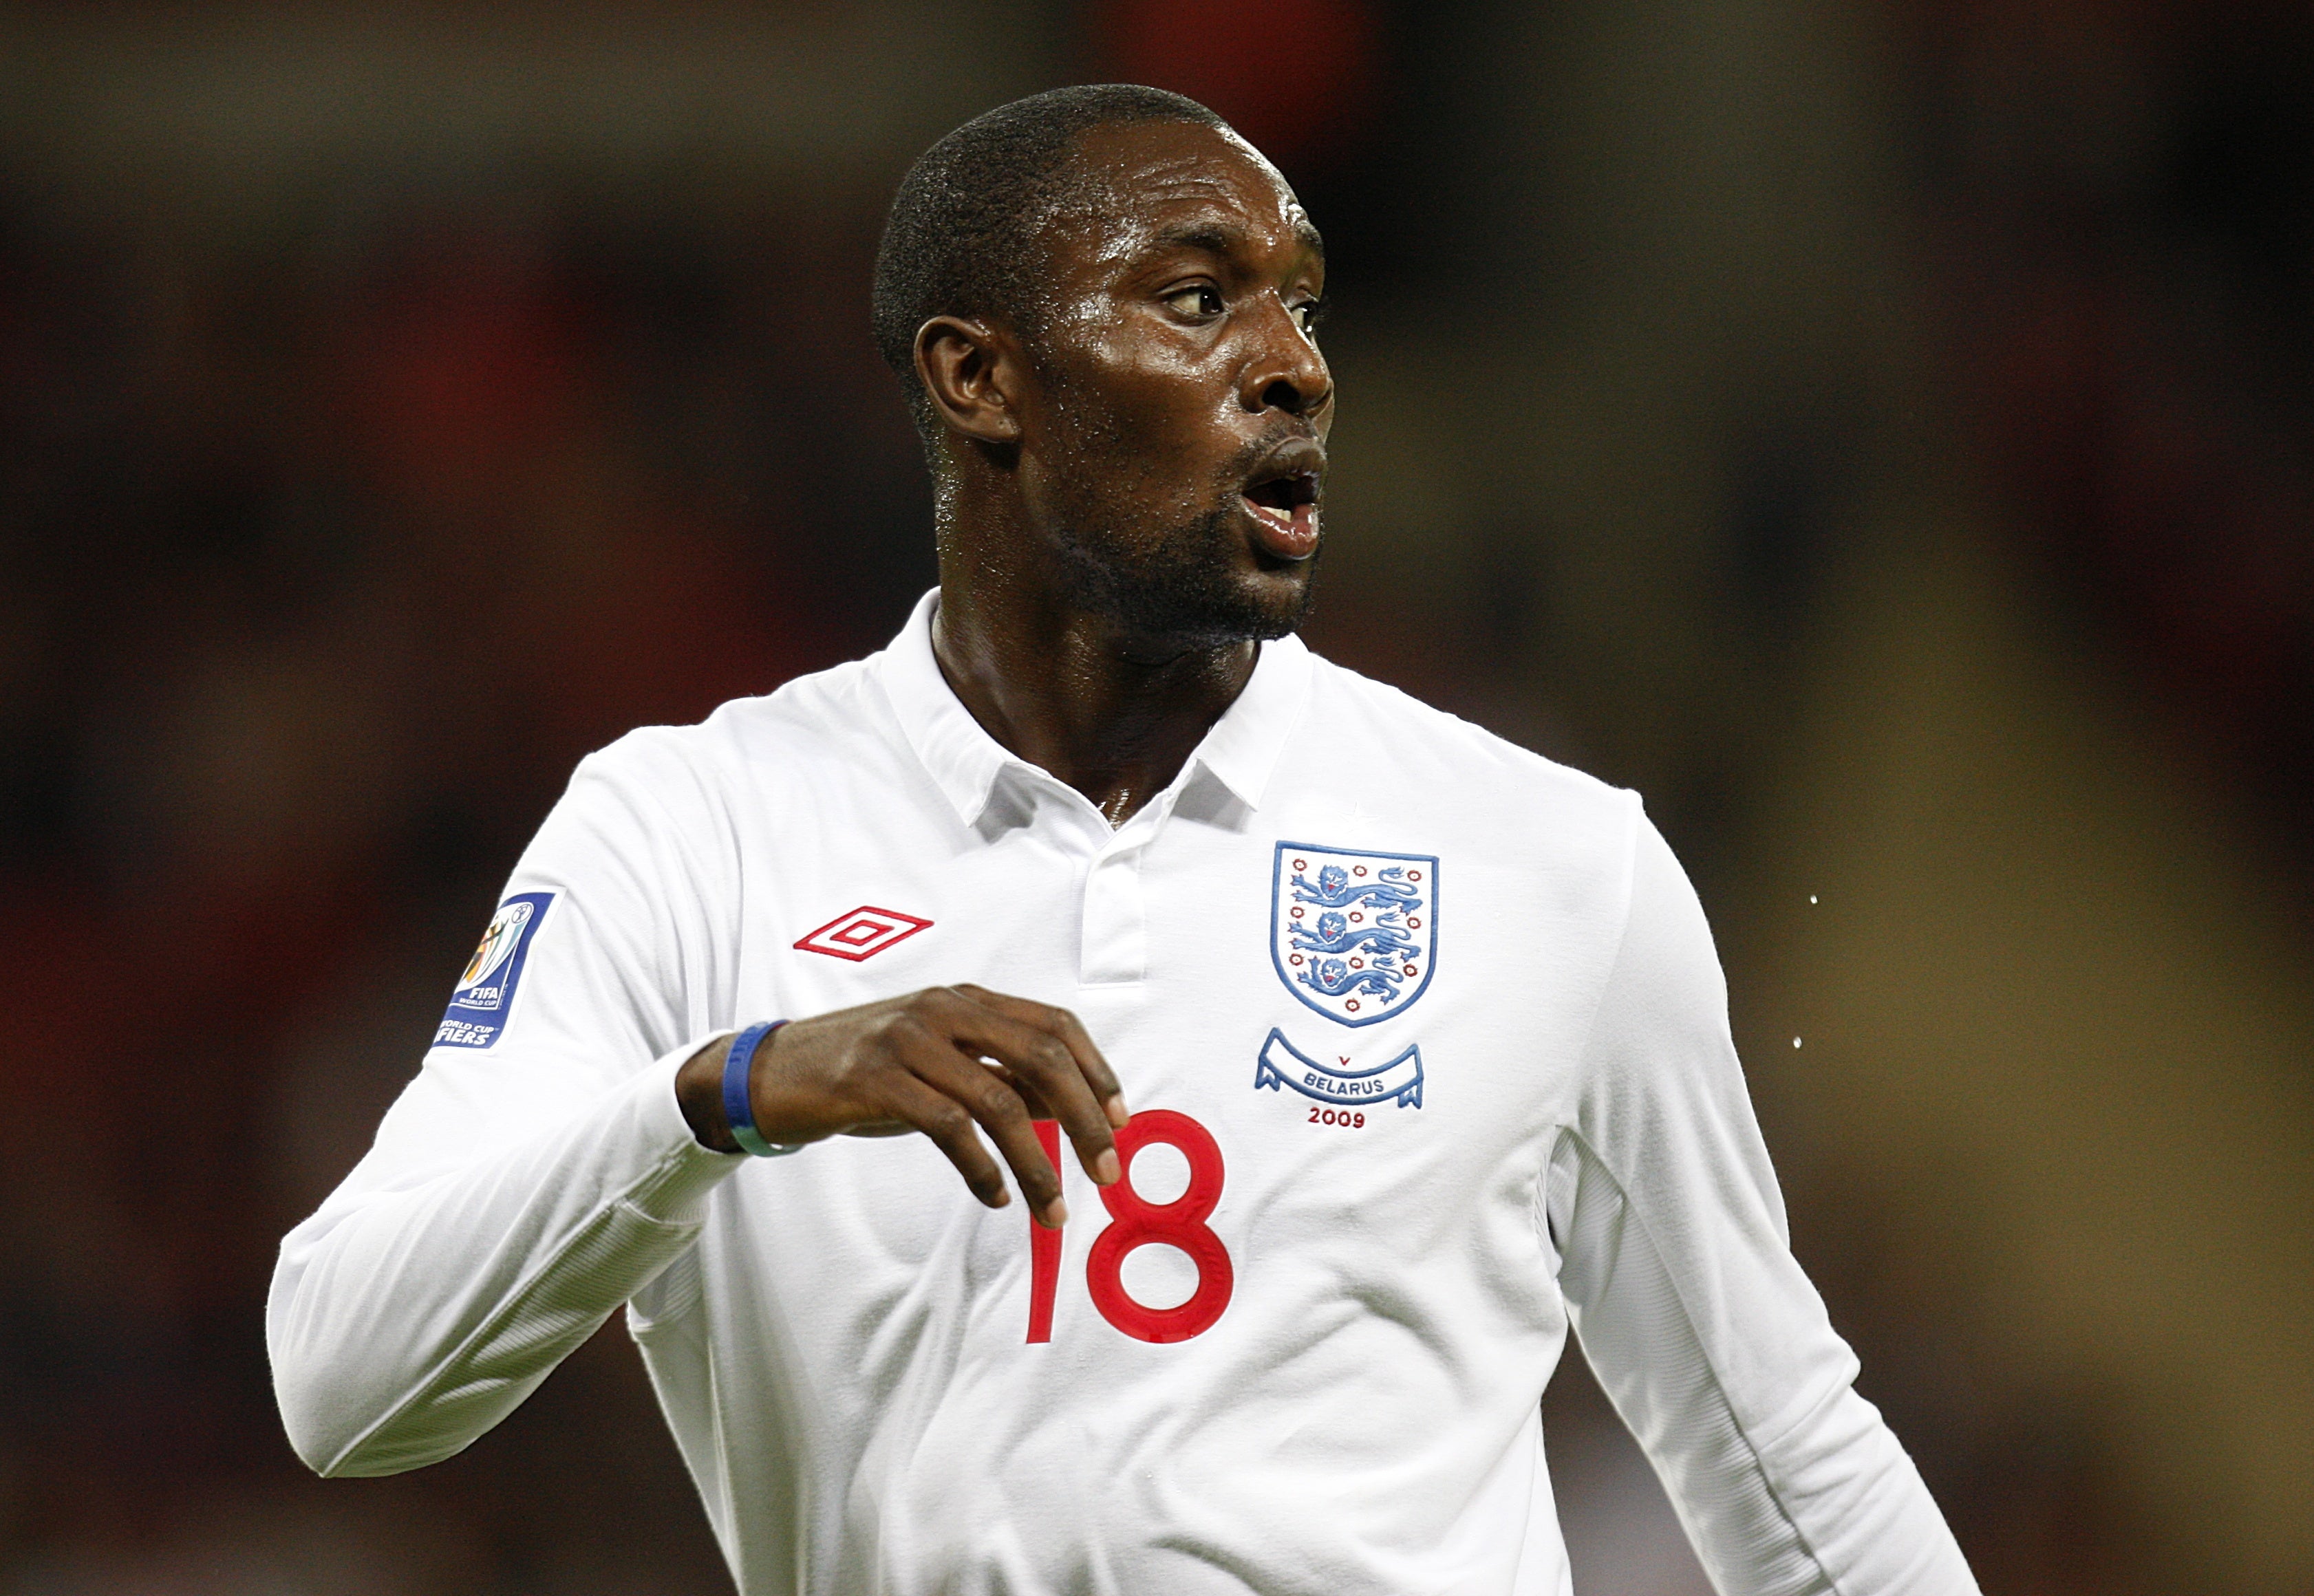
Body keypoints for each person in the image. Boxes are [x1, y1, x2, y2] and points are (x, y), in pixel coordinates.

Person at [268, 85, 1979, 1596]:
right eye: (1194, 299)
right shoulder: (696, 827)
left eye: (1302, 307)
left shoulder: (1546, 860)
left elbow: (1784, 1456)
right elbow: (344, 1379)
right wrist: (732, 1091)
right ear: (978, 377)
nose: (1294, 364)